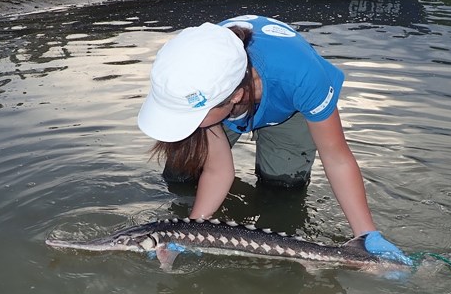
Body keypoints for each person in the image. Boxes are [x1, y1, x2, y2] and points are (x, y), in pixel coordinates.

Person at [137, 15, 411, 265]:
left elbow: (337, 158)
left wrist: (366, 235)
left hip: (286, 105)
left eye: (185, 117)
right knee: (179, 176)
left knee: (283, 187)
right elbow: (218, 170)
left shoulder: (303, 76)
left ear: (233, 99)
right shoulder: (191, 76)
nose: (181, 128)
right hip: (217, 103)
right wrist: (193, 230)